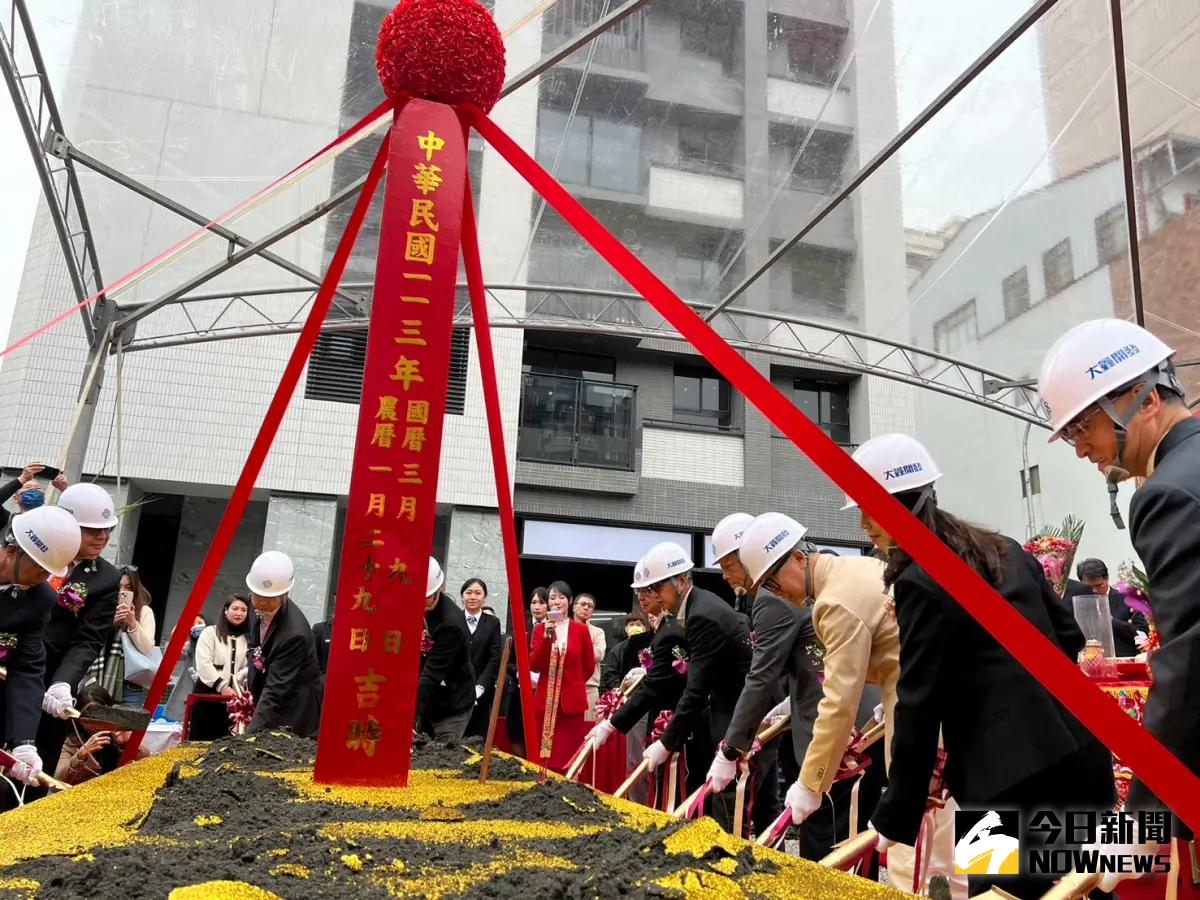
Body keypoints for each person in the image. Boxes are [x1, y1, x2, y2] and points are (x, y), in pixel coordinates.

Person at [850, 433, 1114, 899]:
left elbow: (918, 701)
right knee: (1088, 886)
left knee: (1000, 893)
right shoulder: (1006, 548)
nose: (866, 525)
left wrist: (896, 813)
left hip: (1003, 778)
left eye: (871, 510)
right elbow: (1069, 636)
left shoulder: (919, 580)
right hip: (1079, 751)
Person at [1039, 319, 1200, 885]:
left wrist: (1142, 823)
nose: (1081, 447)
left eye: (1085, 427)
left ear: (1147, 398)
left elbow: (1187, 664)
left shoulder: (1169, 494)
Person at [737, 510, 934, 886]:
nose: (782, 596)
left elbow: (838, 701)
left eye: (775, 585)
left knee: (922, 859)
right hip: (924, 705)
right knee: (973, 849)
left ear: (797, 558)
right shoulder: (859, 568)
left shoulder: (833, 603)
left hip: (923, 726)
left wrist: (811, 784)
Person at [705, 511, 819, 841]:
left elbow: (761, 677)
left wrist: (729, 750)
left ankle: (973, 884)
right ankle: (973, 885)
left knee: (826, 838)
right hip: (884, 714)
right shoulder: (837, 569)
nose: (726, 576)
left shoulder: (775, 598)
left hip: (842, 726)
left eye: (728, 566)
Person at [36, 483, 123, 786]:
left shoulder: (106, 578)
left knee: (37, 761)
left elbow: (88, 639)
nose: (102, 537)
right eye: (92, 530)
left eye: (107, 530)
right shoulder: (31, 548)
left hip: (49, 683)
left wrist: (62, 682)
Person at [0, 507, 81, 797]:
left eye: (49, 571)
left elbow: (26, 669)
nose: (43, 577)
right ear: (13, 549)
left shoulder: (39, 599)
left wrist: (23, 741)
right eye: (39, 567)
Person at [244, 551, 322, 737]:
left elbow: (276, 689)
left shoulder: (295, 634)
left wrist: (247, 735)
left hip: (295, 707)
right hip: (269, 697)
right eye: (257, 596)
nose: (261, 603)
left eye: (269, 599)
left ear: (284, 595)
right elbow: (255, 644)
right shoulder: (253, 605)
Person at [530, 579, 595, 772]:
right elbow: (534, 664)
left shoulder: (581, 630)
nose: (557, 601)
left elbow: (588, 665)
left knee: (569, 754)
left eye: (561, 597)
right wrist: (546, 639)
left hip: (571, 703)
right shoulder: (540, 629)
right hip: (545, 701)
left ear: (570, 601)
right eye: (552, 598)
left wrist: (572, 683)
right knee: (543, 754)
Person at [418, 558, 475, 742]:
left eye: (425, 597)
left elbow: (432, 674)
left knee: (442, 758)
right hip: (427, 699)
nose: (419, 602)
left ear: (438, 590)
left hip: (452, 704)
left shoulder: (451, 625)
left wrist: (409, 715)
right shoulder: (415, 608)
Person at [53, 683, 145, 786]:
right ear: (79, 718)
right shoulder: (72, 742)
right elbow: (58, 780)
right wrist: (81, 755)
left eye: (100, 715)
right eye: (89, 717)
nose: (94, 723)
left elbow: (147, 765)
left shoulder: (118, 732)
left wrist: (129, 745)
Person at [190, 594, 251, 740]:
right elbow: (204, 663)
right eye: (235, 608)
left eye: (244, 610)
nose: (239, 613)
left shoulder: (248, 638)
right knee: (201, 743)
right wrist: (222, 686)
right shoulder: (210, 633)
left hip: (233, 701)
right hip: (207, 696)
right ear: (226, 610)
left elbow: (246, 667)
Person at [504, 586, 548, 758]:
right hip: (519, 690)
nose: (537, 607)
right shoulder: (521, 627)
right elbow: (508, 661)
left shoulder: (555, 628)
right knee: (516, 734)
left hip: (543, 690)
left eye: (541, 603)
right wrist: (520, 673)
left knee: (538, 736)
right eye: (533, 602)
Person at [1070, 558, 1145, 658]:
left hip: (1122, 661)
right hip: (1087, 662)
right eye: (1089, 586)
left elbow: (1144, 633)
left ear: (1107, 578)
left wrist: (1111, 621)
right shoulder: (1076, 602)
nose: (1094, 590)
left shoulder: (1129, 599)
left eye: (1099, 585)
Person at [462, 578, 503, 739]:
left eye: (478, 593)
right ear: (462, 596)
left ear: (484, 597)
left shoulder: (493, 623)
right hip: (455, 690)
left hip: (482, 690)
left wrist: (480, 686)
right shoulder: (454, 620)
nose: (473, 597)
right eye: (469, 592)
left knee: (478, 738)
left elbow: (494, 657)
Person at [0, 462, 68, 533]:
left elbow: (73, 517)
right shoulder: (6, 520)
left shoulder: (53, 523)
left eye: (38, 488)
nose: (33, 489)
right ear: (16, 498)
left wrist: (65, 490)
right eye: (28, 487)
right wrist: (22, 479)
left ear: (44, 497)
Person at [573, 592, 606, 721]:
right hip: (568, 688)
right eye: (583, 604)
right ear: (574, 607)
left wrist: (576, 648)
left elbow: (599, 655)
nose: (586, 608)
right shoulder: (566, 628)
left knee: (588, 730)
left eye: (590, 606)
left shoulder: (597, 632)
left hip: (590, 689)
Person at [599, 612, 648, 693]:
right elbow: (610, 675)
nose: (635, 627)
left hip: (647, 693)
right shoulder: (616, 650)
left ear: (644, 628)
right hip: (623, 694)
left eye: (638, 624)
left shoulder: (651, 646)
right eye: (631, 625)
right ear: (626, 629)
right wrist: (621, 691)